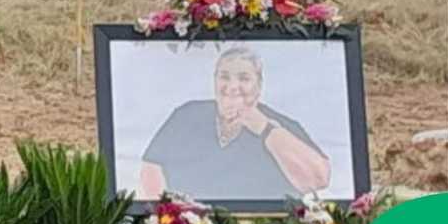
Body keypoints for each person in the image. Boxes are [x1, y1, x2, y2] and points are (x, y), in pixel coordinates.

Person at [138, 48, 331, 201]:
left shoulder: (283, 125)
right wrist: (167, 219)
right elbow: (151, 167)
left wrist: (265, 129)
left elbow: (319, 178)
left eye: (244, 78)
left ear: (259, 84)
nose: (232, 87)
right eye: (224, 77)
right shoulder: (187, 115)